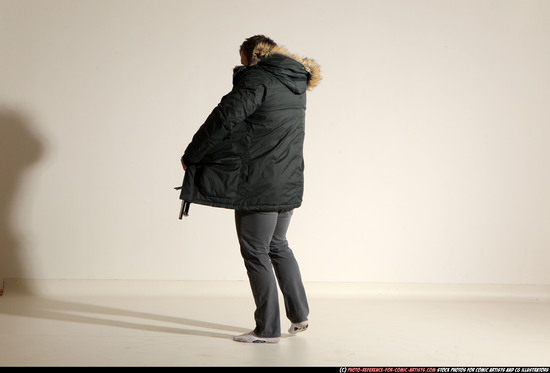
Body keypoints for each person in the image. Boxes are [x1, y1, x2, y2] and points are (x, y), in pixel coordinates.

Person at [179, 35, 321, 343]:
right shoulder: (294, 82)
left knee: (256, 251)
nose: (240, 64)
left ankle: (267, 330)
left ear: (250, 55)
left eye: (241, 59)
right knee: (277, 245)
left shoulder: (258, 78)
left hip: (260, 183)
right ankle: (299, 315)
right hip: (288, 179)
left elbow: (225, 117)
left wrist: (192, 155)